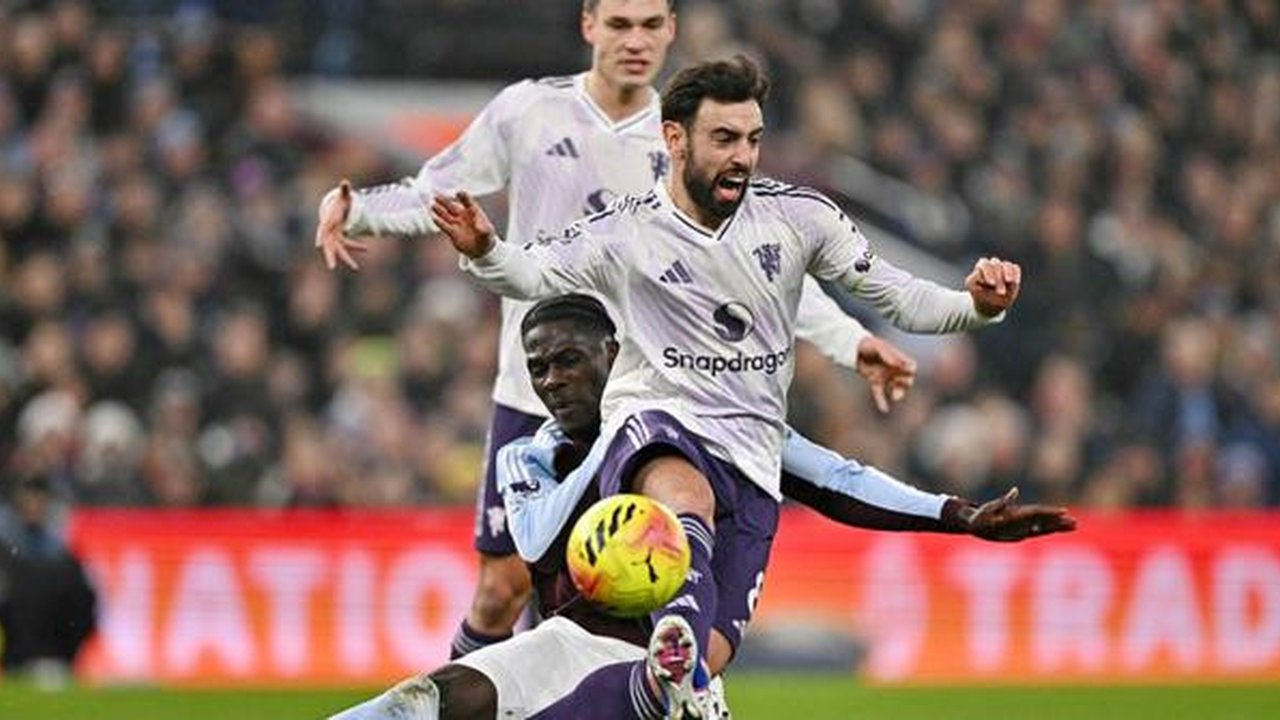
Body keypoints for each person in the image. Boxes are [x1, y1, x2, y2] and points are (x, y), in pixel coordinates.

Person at [431, 55, 1031, 718]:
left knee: (695, 676)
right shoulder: (625, 232)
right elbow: (530, 274)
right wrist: (484, 248)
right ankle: (675, 637)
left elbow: (903, 300)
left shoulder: (800, 220)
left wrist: (977, 306)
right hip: (651, 444)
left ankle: (679, 670)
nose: (743, 156)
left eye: (752, 139)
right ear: (675, 138)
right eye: (725, 139)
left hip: (746, 469)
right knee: (664, 450)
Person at [315, 0, 912, 661]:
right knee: (503, 589)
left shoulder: (686, 141)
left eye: (651, 25)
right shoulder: (529, 112)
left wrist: (847, 340)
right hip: (533, 392)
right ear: (588, 26)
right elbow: (439, 192)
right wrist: (357, 211)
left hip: (645, 402)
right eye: (621, 24)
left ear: (671, 33)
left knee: (648, 587)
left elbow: (756, 273)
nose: (636, 40)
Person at [328, 294, 1072, 720]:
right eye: (540, 368)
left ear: (615, 354)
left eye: (569, 360)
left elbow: (835, 476)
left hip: (672, 651)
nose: (552, 381)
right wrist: (620, 426)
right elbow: (536, 539)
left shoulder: (711, 422)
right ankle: (665, 686)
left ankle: (672, 679)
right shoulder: (533, 457)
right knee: (424, 701)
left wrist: (954, 514)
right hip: (583, 641)